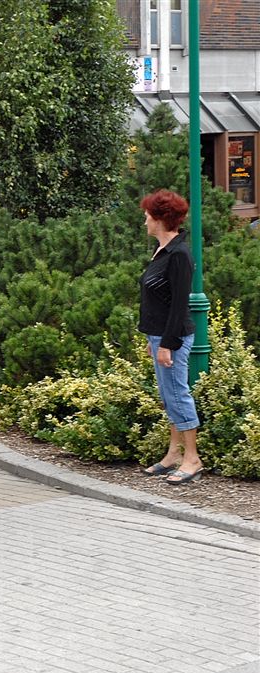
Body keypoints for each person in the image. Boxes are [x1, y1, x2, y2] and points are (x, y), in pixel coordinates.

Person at [138, 189, 204, 485]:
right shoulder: (163, 250)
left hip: (173, 338)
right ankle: (173, 454)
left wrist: (166, 344)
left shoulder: (179, 255)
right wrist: (154, 340)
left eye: (147, 216)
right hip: (159, 336)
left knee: (177, 394)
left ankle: (192, 459)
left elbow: (179, 305)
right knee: (168, 397)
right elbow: (159, 300)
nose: (145, 221)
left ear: (160, 219)